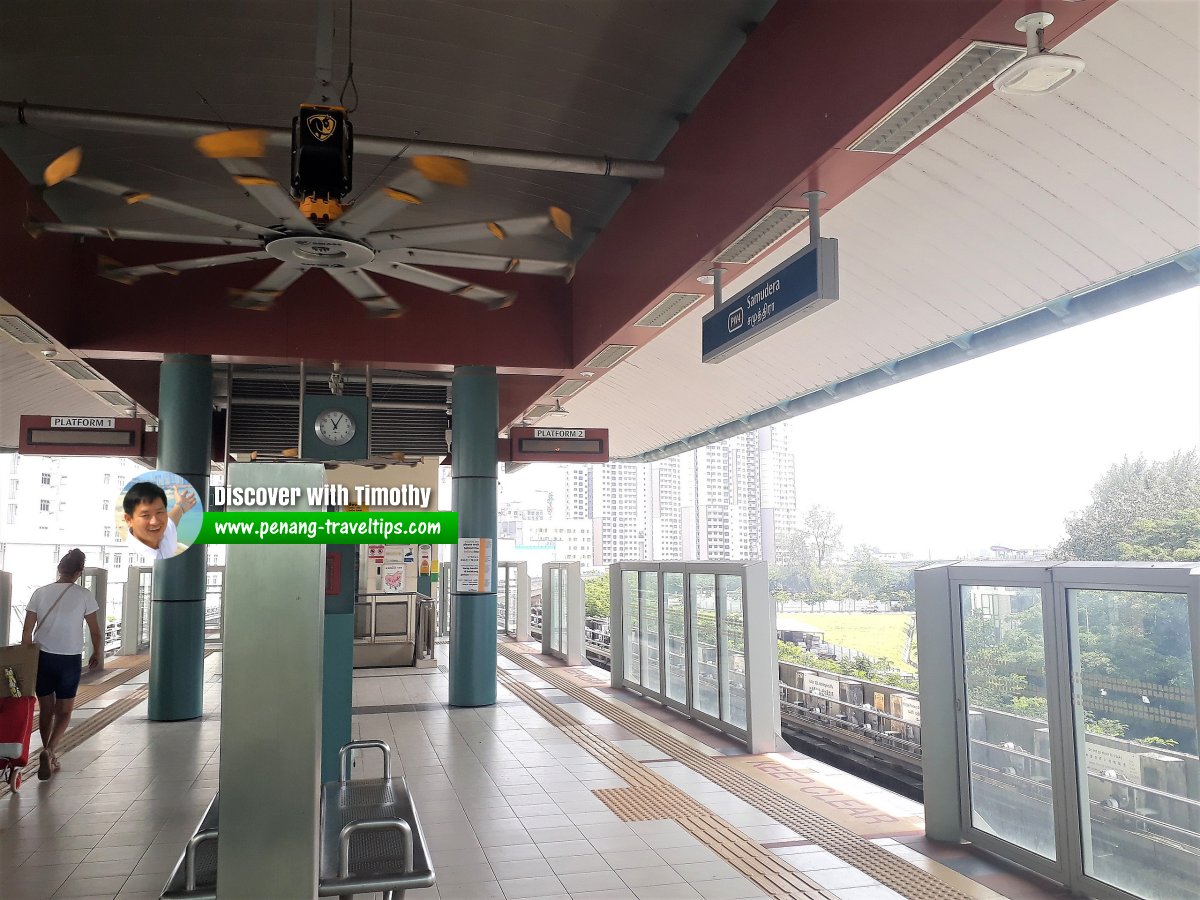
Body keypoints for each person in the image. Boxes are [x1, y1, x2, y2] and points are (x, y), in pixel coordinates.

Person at [20, 548, 101, 780]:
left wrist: (28, 658)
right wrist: (97, 653)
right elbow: (95, 631)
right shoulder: (84, 595)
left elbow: (27, 631)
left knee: (46, 709)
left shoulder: (40, 593)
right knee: (64, 712)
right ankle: (50, 751)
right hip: (69, 659)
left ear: (59, 569)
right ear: (79, 572)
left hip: (42, 657)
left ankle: (49, 754)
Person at [123, 481, 196, 559]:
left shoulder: (165, 533)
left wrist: (180, 506)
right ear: (129, 520)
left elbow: (172, 519)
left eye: (159, 512)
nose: (155, 522)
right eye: (145, 515)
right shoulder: (131, 554)